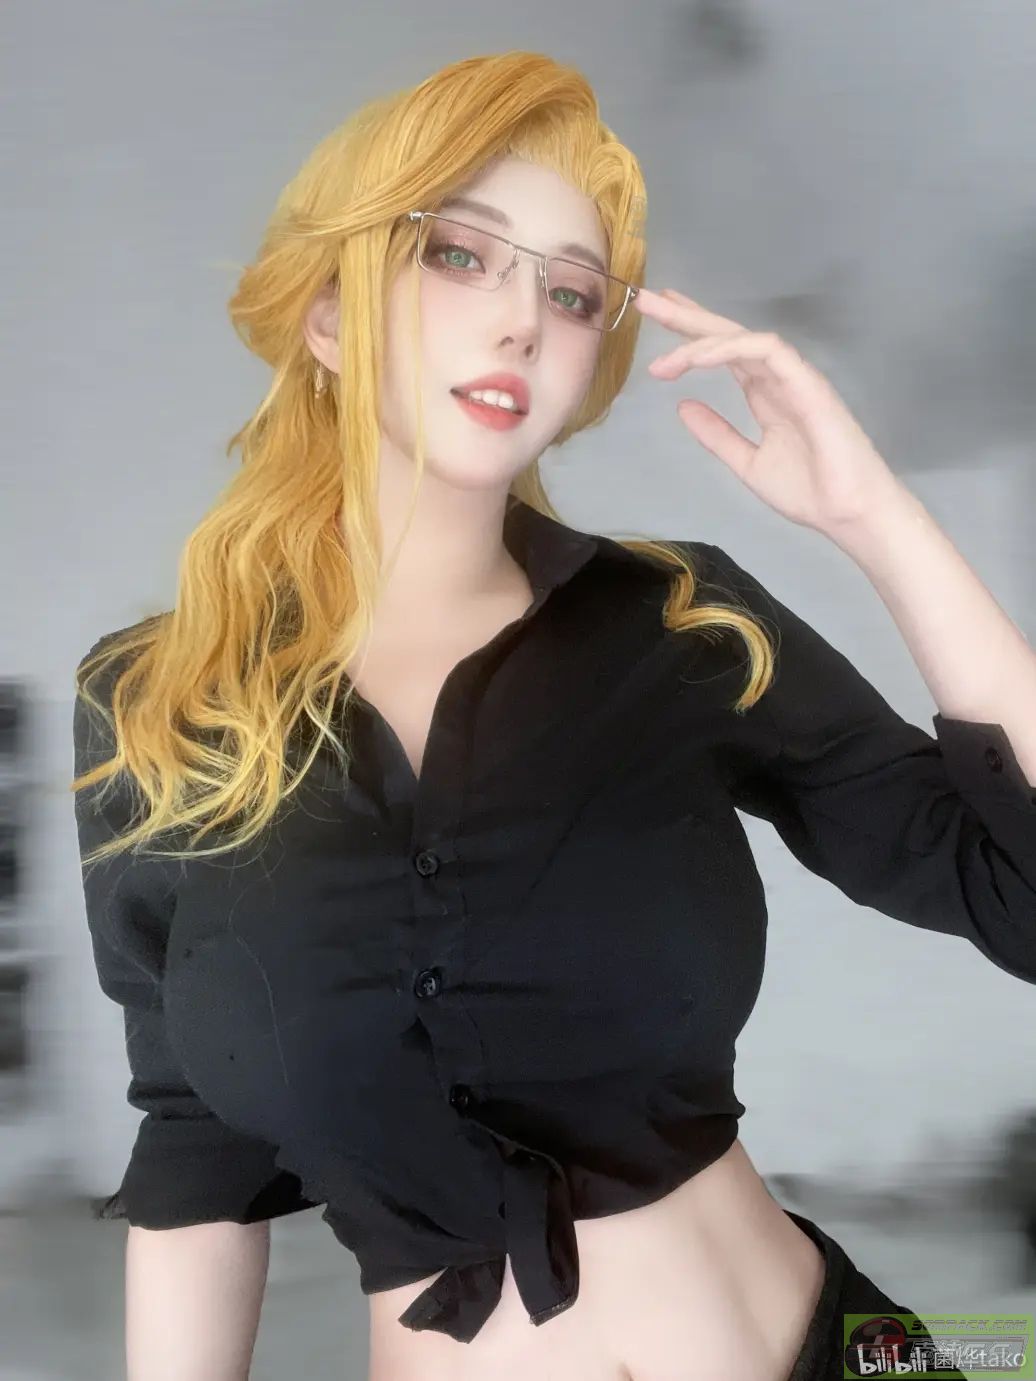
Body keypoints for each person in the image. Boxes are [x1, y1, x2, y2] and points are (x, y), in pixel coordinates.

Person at [69, 48, 1030, 1381]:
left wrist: (878, 519)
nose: (523, 320)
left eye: (572, 292)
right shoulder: (158, 707)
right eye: (460, 255)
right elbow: (195, 1153)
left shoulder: (680, 621)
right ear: (330, 316)